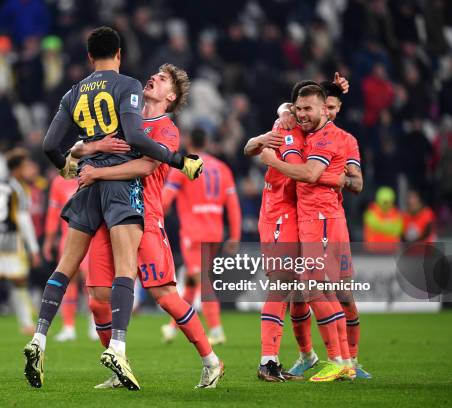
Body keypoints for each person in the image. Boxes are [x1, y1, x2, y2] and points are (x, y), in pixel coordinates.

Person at [24, 26, 203, 391]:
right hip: (120, 191)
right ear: (119, 54)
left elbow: (48, 145)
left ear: (89, 57)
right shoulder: (128, 87)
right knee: (125, 275)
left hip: (88, 184)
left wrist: (70, 163)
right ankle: (118, 349)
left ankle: (38, 338)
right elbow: (136, 140)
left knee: (65, 268)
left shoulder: (73, 92)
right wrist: (179, 160)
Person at [73, 64, 224, 389]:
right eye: (155, 74)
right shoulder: (123, 118)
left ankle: (211, 360)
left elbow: (146, 165)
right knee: (98, 297)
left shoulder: (166, 128)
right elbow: (90, 149)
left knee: (165, 296)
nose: (153, 78)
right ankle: (118, 368)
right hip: (106, 214)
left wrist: (97, 174)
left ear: (170, 96)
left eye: (163, 79)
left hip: (144, 216)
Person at [244, 80, 346, 382]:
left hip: (302, 216)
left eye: (307, 109)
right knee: (283, 284)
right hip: (280, 214)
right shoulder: (287, 127)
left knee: (306, 291)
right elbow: (251, 149)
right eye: (297, 108)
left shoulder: (311, 128)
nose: (300, 113)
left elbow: (322, 108)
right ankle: (269, 360)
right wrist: (266, 139)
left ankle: (315, 356)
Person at [160, 128, 241, 347]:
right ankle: (171, 326)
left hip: (194, 233)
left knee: (202, 281)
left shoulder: (185, 165)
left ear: (188, 141)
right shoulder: (222, 168)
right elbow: (232, 204)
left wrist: (154, 213)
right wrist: (234, 234)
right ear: (206, 141)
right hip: (215, 231)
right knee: (193, 281)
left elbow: (166, 198)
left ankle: (216, 330)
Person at [0, 148, 41, 336]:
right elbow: (23, 220)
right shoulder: (19, 189)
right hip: (10, 241)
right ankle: (27, 324)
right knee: (19, 282)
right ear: (18, 168)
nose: (28, 169)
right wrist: (33, 248)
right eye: (25, 166)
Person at [43, 174, 96, 342]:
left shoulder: (94, 174)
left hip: (91, 237)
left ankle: (95, 325)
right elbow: (53, 213)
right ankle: (68, 327)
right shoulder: (59, 182)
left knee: (91, 282)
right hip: (68, 239)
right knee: (69, 281)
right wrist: (49, 240)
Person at [363, 186, 403, 252]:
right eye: (384, 202)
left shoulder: (396, 213)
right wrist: (390, 226)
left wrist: (381, 225)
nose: (386, 204)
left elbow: (398, 229)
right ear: (378, 199)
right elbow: (374, 225)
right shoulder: (371, 211)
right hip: (373, 250)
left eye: (388, 202)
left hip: (392, 251)